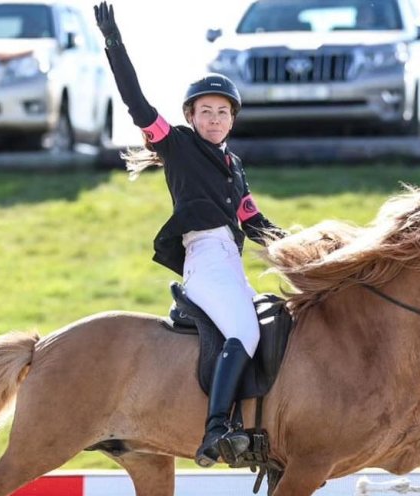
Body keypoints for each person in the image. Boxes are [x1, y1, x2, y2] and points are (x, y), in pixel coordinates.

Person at [93, 3, 284, 468]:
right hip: (204, 258)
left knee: (275, 325)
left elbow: (256, 223)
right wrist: (114, 43)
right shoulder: (176, 145)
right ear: (191, 116)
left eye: (223, 112)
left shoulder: (234, 167)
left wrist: (316, 249)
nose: (215, 118)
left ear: (232, 120)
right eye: (206, 111)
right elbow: (137, 104)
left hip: (231, 263)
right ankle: (217, 428)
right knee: (243, 329)